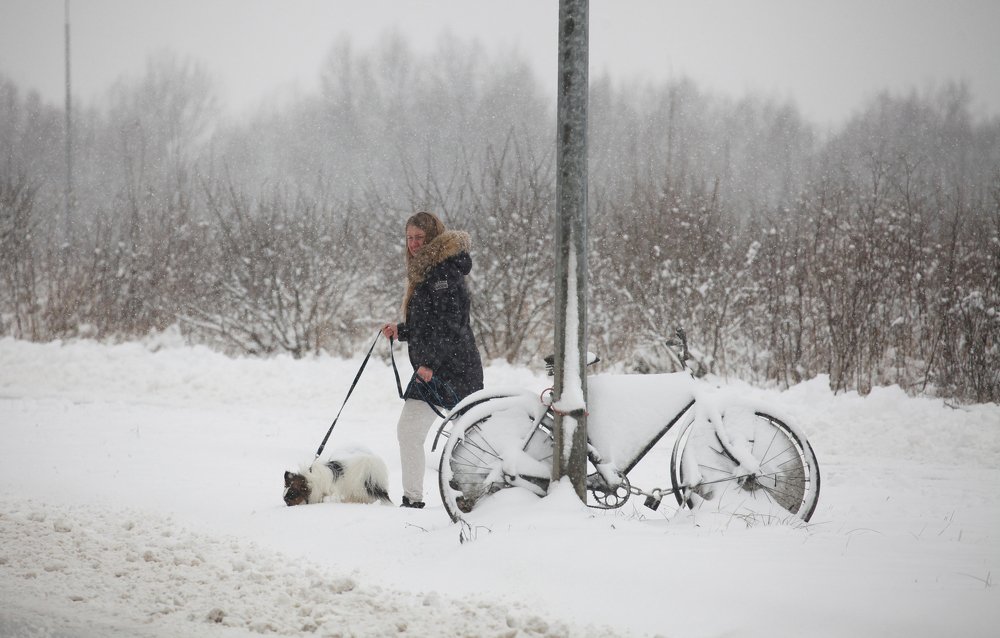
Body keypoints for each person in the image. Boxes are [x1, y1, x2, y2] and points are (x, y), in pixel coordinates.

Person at [382, 211, 484, 508]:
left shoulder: (443, 271)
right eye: (409, 238)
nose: (413, 243)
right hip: (437, 365)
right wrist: (401, 331)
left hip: (454, 368)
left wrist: (429, 364)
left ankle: (483, 494)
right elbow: (430, 324)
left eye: (419, 237)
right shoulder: (428, 270)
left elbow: (451, 325)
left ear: (432, 238)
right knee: (411, 431)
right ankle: (412, 500)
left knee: (471, 436)